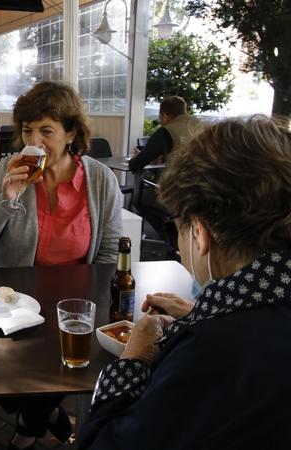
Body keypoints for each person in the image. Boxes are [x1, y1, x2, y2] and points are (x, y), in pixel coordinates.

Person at [77, 115, 291, 449]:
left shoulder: (211, 354)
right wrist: (200, 314)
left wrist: (132, 362)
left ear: (200, 234)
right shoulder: (259, 311)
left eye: (178, 227)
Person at [0, 81, 123, 449]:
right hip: (10, 297)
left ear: (71, 133)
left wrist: (89, 297)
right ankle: (45, 415)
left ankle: (29, 426)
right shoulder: (7, 168)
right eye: (27, 131)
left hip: (73, 298)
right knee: (6, 384)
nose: (33, 140)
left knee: (68, 356)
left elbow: (111, 251)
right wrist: (6, 199)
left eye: (46, 131)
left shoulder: (99, 179)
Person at [128, 96, 201, 172]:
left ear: (164, 115)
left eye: (160, 117)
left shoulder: (167, 130)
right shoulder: (200, 125)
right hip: (207, 180)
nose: (161, 121)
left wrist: (135, 158)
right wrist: (162, 159)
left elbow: (137, 164)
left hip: (181, 180)